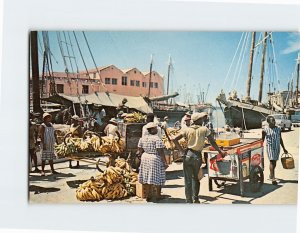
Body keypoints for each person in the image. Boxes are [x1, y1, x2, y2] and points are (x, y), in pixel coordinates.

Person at [172, 112, 226, 203]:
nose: (203, 120)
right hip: (197, 156)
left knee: (187, 180)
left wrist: (181, 151)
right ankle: (196, 199)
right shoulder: (204, 129)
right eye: (201, 119)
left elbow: (174, 139)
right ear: (198, 120)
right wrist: (220, 151)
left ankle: (189, 201)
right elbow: (212, 142)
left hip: (188, 155)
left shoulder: (187, 130)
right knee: (195, 178)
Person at [137, 122, 169, 202]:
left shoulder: (142, 138)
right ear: (153, 129)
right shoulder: (157, 139)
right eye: (156, 128)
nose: (157, 129)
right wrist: (165, 162)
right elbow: (160, 152)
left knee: (147, 176)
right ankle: (158, 195)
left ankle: (148, 195)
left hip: (145, 157)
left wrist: (140, 157)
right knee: (158, 176)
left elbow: (139, 150)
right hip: (154, 158)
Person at [262, 115, 288, 185]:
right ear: (268, 123)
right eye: (272, 121)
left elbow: (280, 139)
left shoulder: (278, 129)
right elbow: (262, 140)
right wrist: (260, 147)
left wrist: (284, 148)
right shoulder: (265, 130)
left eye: (274, 121)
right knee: (272, 161)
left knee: (275, 162)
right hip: (270, 147)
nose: (274, 122)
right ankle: (273, 178)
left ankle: (271, 174)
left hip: (277, 147)